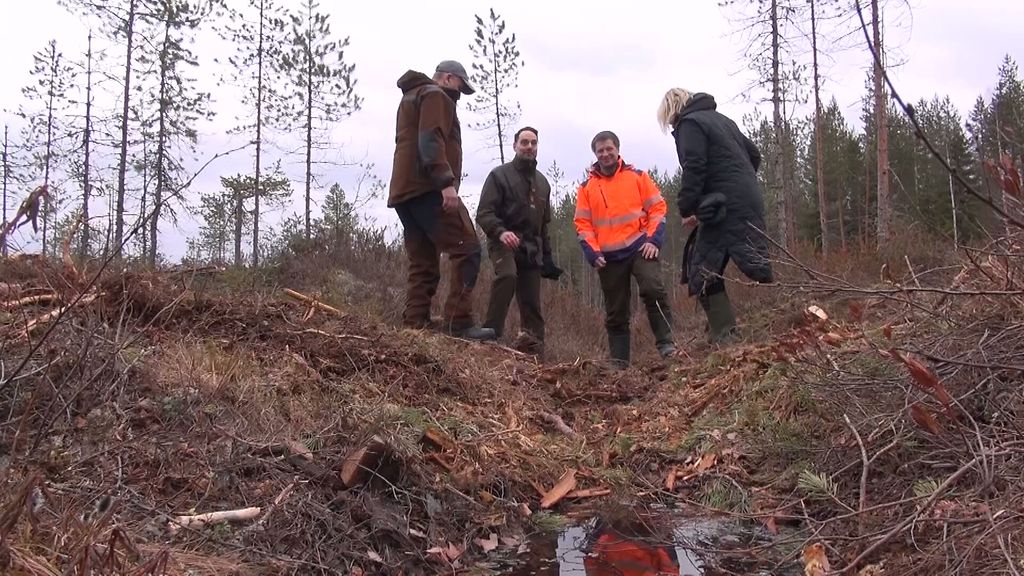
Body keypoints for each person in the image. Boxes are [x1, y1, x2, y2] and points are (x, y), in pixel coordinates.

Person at [387, 60, 495, 341]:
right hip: (430, 188)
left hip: (405, 191)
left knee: (423, 259)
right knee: (468, 249)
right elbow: (430, 139)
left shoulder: (412, 96)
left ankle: (415, 322)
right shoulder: (436, 95)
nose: (460, 95)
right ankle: (458, 322)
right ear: (448, 78)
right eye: (460, 87)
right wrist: (446, 183)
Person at [657, 88, 774, 344]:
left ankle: (727, 338)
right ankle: (723, 331)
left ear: (671, 110)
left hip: (726, 204)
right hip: (745, 198)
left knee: (702, 271)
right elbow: (754, 155)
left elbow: (695, 166)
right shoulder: (722, 120)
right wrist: (736, 184)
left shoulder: (689, 123)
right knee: (718, 263)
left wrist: (687, 208)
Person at [574, 130, 676, 368]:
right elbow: (582, 224)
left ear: (617, 150)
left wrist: (653, 241)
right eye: (600, 150)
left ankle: (667, 345)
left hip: (641, 248)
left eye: (609, 148)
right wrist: (593, 253)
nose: (605, 153)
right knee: (616, 310)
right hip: (608, 258)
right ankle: (620, 363)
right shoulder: (587, 187)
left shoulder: (638, 177)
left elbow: (658, 209)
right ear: (595, 155)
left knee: (653, 289)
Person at [475, 126, 564, 356]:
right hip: (502, 242)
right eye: (524, 142)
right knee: (507, 276)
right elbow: (484, 213)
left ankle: (535, 352)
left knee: (532, 303)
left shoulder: (543, 183)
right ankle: (491, 334)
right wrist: (501, 232)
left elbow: (543, 225)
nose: (529, 147)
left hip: (531, 249)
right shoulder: (499, 176)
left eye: (533, 143)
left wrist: (547, 258)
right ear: (515, 145)